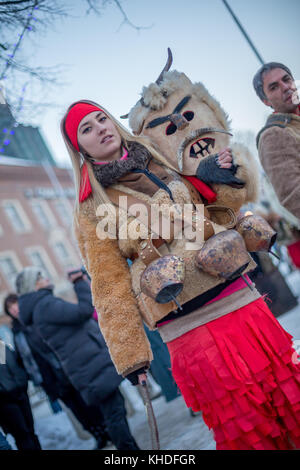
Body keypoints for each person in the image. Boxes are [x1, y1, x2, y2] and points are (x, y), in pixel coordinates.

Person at [60, 99, 300, 450]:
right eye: (87, 128)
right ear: (78, 146)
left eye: (102, 119)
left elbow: (219, 208)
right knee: (247, 427)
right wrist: (131, 357)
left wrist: (221, 179)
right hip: (189, 328)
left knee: (289, 398)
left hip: (240, 298)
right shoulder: (91, 207)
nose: (100, 129)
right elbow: (109, 284)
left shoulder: (165, 154)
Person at [16, 266, 138, 451]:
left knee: (115, 411)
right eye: (39, 276)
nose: (46, 277)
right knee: (114, 414)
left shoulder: (41, 305)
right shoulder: (44, 305)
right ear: (32, 285)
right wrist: (79, 282)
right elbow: (82, 311)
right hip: (89, 366)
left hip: (87, 365)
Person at [3, 293, 109, 450]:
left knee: (85, 402)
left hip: (61, 369)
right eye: (10, 308)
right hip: (47, 379)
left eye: (15, 304)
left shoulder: (34, 320)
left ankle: (104, 431)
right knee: (75, 410)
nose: (14, 309)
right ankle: (96, 434)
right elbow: (20, 358)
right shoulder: (16, 332)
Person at [253, 62, 300, 221]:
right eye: (274, 87)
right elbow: (294, 196)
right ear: (266, 101)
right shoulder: (273, 135)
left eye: (287, 80)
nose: (286, 87)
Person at [0, 343, 42, 450]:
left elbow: (16, 363)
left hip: (20, 392)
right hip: (5, 400)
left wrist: (22, 381)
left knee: (31, 431)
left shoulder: (3, 346)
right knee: (22, 435)